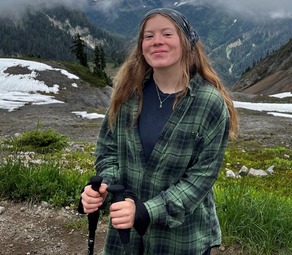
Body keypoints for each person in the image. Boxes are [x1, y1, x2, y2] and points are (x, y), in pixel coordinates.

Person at [81, 7, 238, 255]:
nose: (157, 42)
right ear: (141, 46)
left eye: (167, 34)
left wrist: (145, 211)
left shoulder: (210, 103)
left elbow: (200, 179)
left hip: (182, 241)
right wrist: (104, 186)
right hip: (126, 239)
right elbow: (108, 150)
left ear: (186, 43)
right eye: (149, 36)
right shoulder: (127, 93)